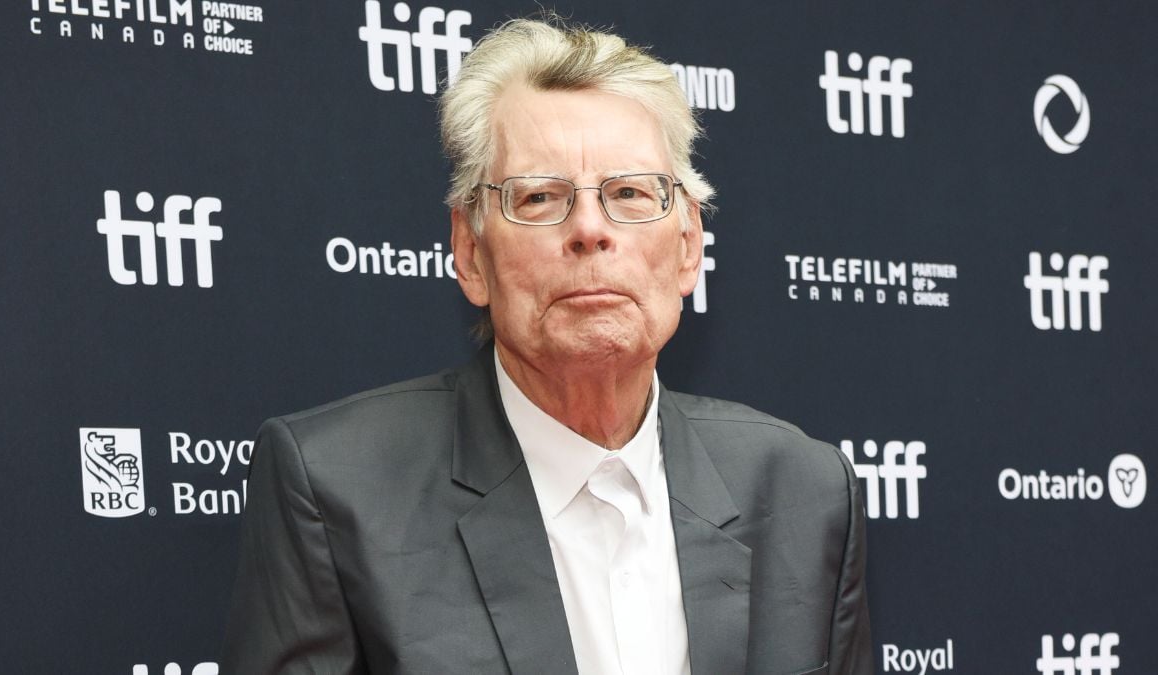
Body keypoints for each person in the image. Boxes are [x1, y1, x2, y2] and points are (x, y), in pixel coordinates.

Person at [222, 17, 873, 675]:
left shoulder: (805, 490)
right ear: (471, 252)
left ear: (687, 248)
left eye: (627, 193)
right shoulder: (335, 488)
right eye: (539, 197)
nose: (590, 228)